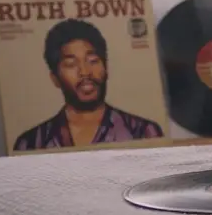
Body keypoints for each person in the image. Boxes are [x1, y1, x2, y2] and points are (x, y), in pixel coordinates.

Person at [13, 18, 164, 151]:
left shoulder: (143, 132)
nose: (85, 72)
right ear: (55, 78)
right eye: (71, 64)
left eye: (93, 61)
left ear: (106, 68)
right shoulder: (32, 143)